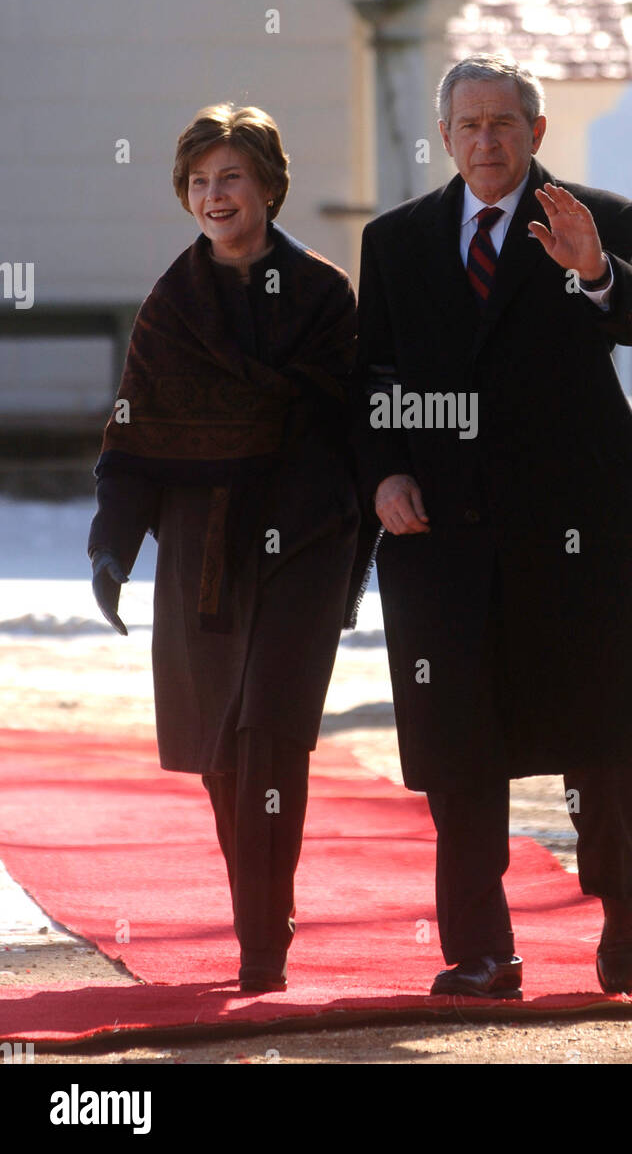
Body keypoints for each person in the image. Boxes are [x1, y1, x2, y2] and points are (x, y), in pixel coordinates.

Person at [351, 55, 632, 999]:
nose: (487, 140)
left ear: (535, 132)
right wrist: (385, 470)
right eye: (469, 125)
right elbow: (372, 377)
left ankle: (623, 899)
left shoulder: (594, 217)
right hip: (447, 533)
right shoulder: (395, 241)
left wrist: (595, 270)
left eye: (505, 124)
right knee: (458, 747)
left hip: (582, 526)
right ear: (444, 136)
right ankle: (481, 952)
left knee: (604, 744)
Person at [88, 103, 360, 993]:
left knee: (268, 736)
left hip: (304, 538)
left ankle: (259, 941)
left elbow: (348, 421)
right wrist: (112, 548)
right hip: (200, 542)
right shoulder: (170, 307)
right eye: (199, 181)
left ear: (270, 187)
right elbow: (133, 434)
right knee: (217, 750)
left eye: (232, 177)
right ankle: (262, 898)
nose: (215, 195)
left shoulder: (323, 295)